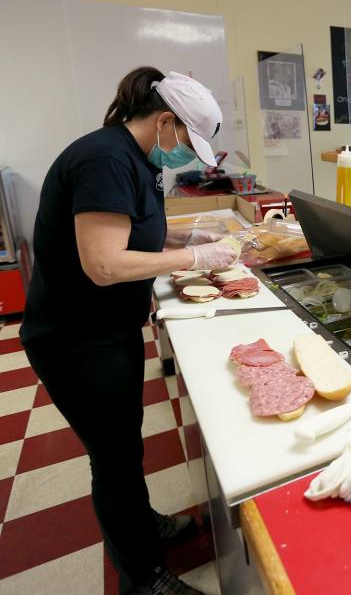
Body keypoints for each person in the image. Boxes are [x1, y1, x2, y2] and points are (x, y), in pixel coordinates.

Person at [20, 67, 238, 595]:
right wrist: (197, 255)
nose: (186, 156)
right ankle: (142, 576)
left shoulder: (135, 160)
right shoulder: (104, 159)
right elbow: (105, 264)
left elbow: (136, 229)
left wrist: (193, 232)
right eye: (188, 142)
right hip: (76, 339)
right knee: (113, 458)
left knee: (125, 444)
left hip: (106, 332)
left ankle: (143, 524)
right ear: (165, 122)